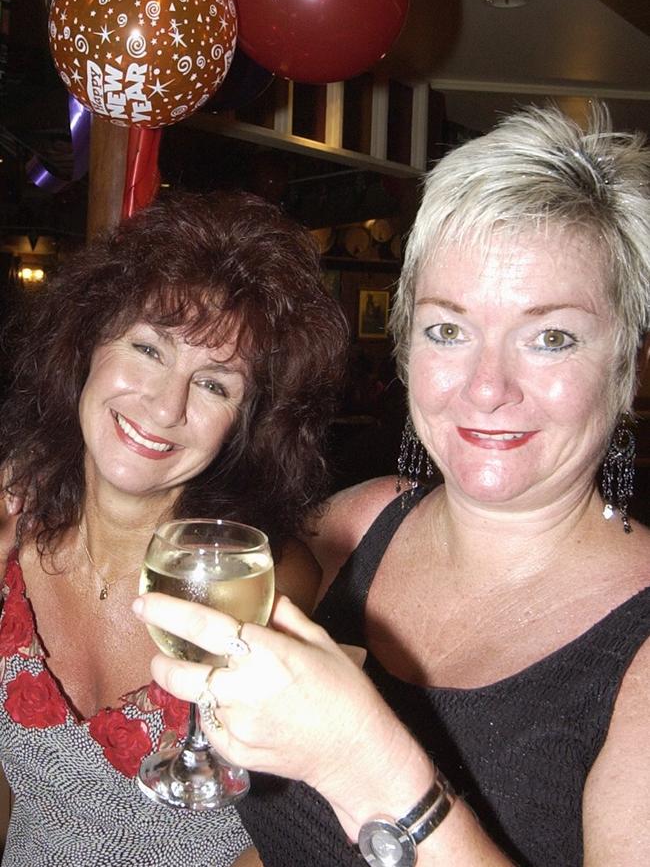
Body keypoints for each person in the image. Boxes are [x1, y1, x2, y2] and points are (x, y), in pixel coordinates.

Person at [136, 104, 650, 867]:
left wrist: (363, 763)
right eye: (448, 329)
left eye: (551, 337)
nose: (486, 388)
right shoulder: (355, 525)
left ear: (628, 365)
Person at [0, 190, 348, 867]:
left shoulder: (264, 584)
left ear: (247, 423)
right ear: (90, 343)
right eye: (149, 349)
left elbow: (298, 832)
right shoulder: (9, 525)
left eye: (216, 384)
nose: (164, 405)